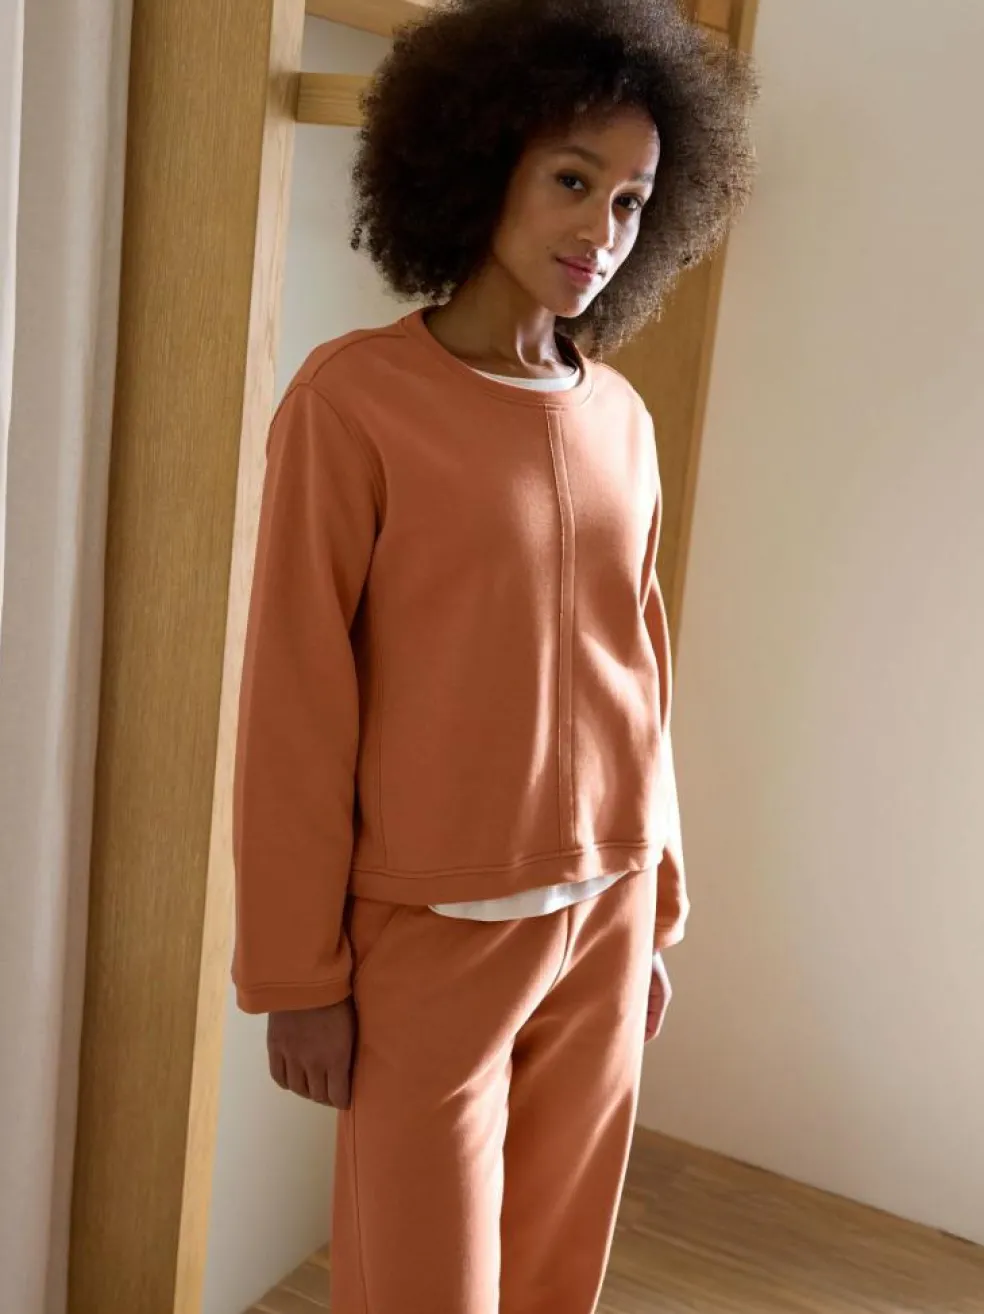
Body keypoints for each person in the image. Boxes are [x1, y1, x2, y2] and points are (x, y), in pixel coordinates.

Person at [231, 1, 756, 1310]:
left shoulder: (620, 415)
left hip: (604, 918)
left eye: (631, 201)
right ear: (481, 162)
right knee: (420, 1285)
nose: (601, 230)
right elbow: (296, 698)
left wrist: (654, 907)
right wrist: (296, 975)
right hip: (433, 936)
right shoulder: (352, 402)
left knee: (553, 1281)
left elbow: (641, 672)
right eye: (572, 180)